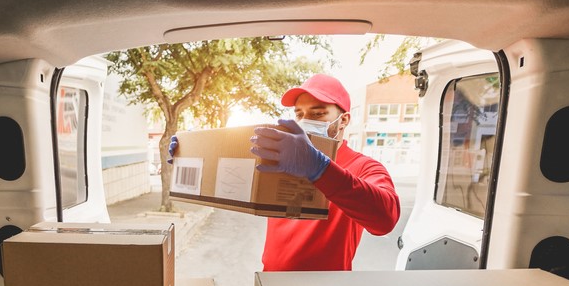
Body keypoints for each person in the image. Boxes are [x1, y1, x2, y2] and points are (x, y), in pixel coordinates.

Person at [170, 73, 400, 271]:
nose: (305, 121)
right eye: (299, 114)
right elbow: (230, 176)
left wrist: (319, 167)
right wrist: (191, 153)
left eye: (318, 114)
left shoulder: (362, 167)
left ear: (343, 121)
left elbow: (385, 220)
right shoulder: (283, 156)